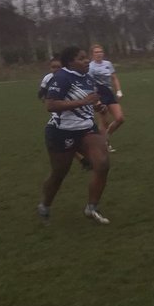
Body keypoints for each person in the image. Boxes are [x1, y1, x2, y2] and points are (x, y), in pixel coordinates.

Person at [37, 45, 111, 224]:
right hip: (61, 131)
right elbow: (51, 105)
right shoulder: (61, 77)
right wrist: (83, 101)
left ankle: (92, 208)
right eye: (82, 58)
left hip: (86, 128)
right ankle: (45, 205)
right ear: (70, 62)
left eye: (87, 57)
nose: (87, 60)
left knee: (102, 163)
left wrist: (97, 106)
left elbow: (88, 101)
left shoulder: (87, 77)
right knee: (59, 173)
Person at [88, 44, 124, 150]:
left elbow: (114, 78)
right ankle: (104, 144)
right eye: (96, 52)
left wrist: (119, 91)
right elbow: (89, 83)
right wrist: (96, 100)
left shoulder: (108, 64)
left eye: (100, 51)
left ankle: (105, 137)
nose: (99, 54)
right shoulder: (90, 67)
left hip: (109, 93)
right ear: (92, 54)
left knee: (120, 118)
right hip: (99, 94)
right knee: (104, 121)